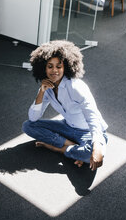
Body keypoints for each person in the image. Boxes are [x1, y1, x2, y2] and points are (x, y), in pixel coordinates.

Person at [22, 40, 108, 171]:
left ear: (66, 67)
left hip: (88, 132)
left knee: (91, 154)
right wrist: (41, 92)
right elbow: (33, 118)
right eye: (50, 66)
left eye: (59, 66)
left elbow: (93, 117)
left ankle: (56, 147)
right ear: (43, 68)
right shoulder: (47, 87)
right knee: (28, 126)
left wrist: (97, 146)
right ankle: (71, 146)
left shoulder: (76, 87)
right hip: (67, 127)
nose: (54, 71)